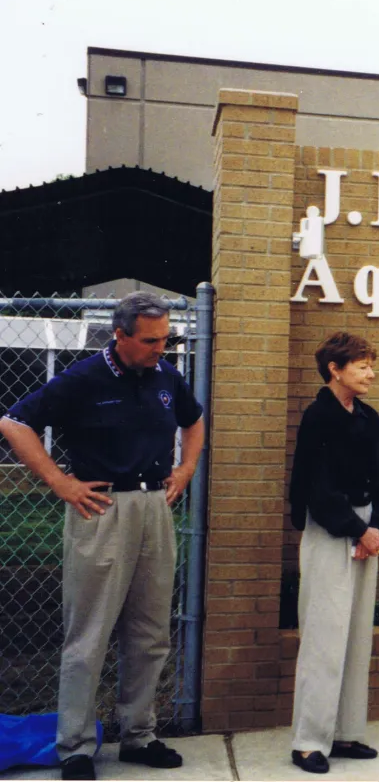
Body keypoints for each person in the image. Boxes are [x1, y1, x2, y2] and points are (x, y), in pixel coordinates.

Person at [0, 291, 205, 781]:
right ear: (121, 335)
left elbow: (194, 420)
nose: (162, 347)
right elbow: (14, 422)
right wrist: (60, 482)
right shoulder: (84, 378)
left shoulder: (165, 376)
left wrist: (187, 467)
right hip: (102, 509)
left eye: (166, 338)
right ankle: (75, 747)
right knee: (88, 633)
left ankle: (139, 734)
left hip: (155, 508)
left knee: (151, 631)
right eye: (151, 340)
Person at [287, 331, 379, 775]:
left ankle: (346, 732)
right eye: (362, 364)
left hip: (365, 531)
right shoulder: (319, 418)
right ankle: (309, 741)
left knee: (356, 636)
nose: (371, 372)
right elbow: (315, 488)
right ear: (335, 369)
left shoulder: (370, 419)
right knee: (323, 636)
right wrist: (356, 530)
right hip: (332, 530)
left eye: (372, 364)